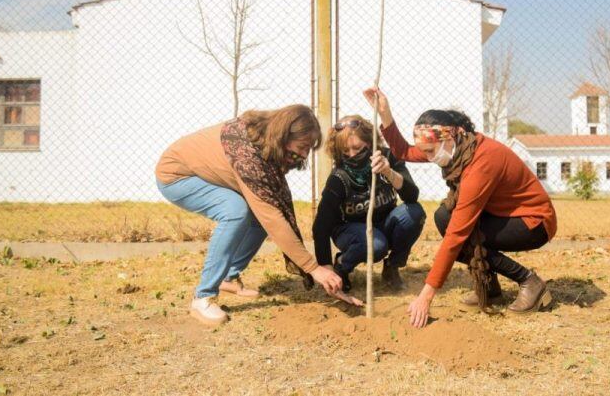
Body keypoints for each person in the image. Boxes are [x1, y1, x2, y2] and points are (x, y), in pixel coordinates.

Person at [363, 88, 557, 328]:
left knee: (457, 231)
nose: (428, 157)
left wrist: (426, 295)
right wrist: (385, 113)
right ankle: (489, 286)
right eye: (425, 152)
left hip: (533, 222)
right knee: (444, 216)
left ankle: (529, 281)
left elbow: (457, 234)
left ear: (451, 138)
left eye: (430, 152)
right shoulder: (454, 148)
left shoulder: (482, 161)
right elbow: (402, 151)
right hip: (501, 214)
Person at [156, 104, 361, 326]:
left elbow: (273, 207)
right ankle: (203, 297)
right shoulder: (247, 154)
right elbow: (273, 217)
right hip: (176, 175)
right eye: (302, 146)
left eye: (308, 149)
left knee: (257, 216)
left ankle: (229, 277)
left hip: (201, 174)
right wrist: (313, 268)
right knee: (236, 211)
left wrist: (316, 266)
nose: (303, 154)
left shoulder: (266, 143)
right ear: (284, 134)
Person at [312, 115, 425, 292]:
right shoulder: (339, 178)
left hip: (384, 221)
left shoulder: (388, 157)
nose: (352, 154)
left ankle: (392, 267)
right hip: (349, 229)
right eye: (345, 151)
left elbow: (412, 196)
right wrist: (325, 267)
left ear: (370, 142)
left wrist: (389, 172)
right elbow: (321, 226)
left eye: (357, 148)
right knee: (376, 245)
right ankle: (342, 266)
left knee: (414, 213)